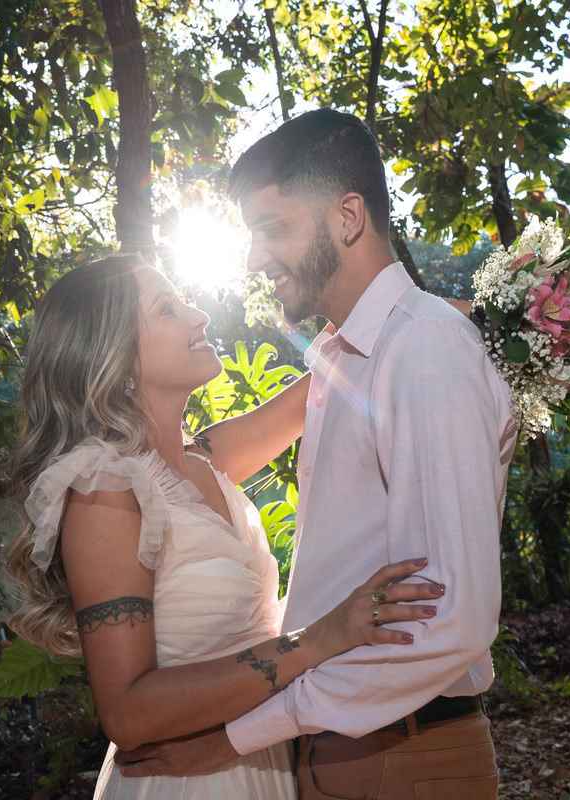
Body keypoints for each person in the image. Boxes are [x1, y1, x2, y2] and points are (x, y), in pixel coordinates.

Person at [114, 109, 517, 799]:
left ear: (347, 217)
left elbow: (451, 621)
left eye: (273, 228)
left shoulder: (422, 350)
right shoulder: (344, 358)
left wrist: (235, 737)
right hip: (342, 754)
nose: (253, 258)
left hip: (405, 757)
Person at [3, 253, 447, 800]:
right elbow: (126, 713)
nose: (199, 317)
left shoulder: (205, 459)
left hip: (264, 764)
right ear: (112, 357)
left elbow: (341, 372)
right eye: (167, 309)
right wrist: (315, 642)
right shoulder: (106, 491)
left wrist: (507, 314)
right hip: (185, 785)